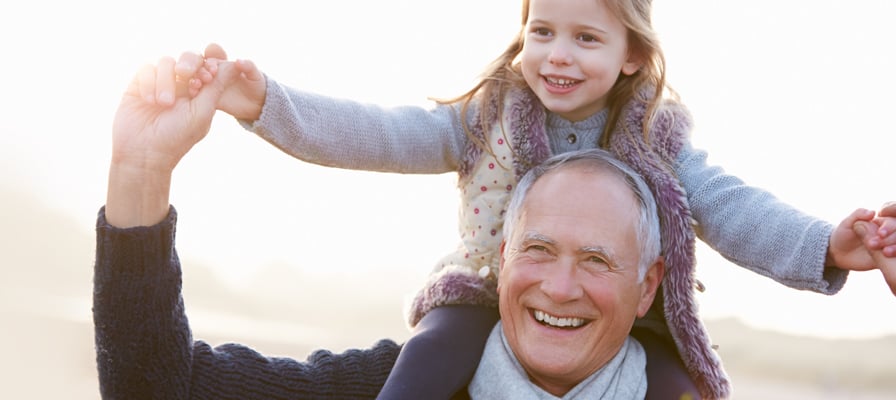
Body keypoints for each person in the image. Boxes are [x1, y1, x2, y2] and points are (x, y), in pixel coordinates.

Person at [145, 0, 896, 397]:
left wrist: (827, 244)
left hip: (629, 318)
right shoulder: (488, 118)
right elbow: (377, 133)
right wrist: (263, 102)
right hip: (484, 292)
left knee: (682, 388)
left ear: (632, 53)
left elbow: (735, 210)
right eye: (542, 30)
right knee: (425, 364)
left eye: (585, 38)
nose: (557, 55)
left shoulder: (658, 140)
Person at [98, 59, 676, 398]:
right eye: (539, 249)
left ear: (648, 285)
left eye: (597, 260)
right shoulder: (406, 382)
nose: (559, 286)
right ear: (502, 257)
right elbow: (153, 387)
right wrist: (140, 174)